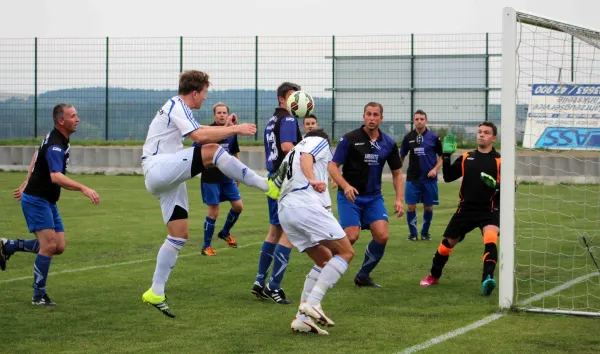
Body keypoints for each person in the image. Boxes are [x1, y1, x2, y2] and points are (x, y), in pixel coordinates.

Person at [140, 70, 283, 317]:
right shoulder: (177, 105)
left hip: (164, 176)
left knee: (178, 235)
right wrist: (235, 129)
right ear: (195, 92)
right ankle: (267, 186)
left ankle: (155, 291)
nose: (206, 98)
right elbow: (200, 136)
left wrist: (226, 127)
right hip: (157, 167)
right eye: (205, 92)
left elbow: (200, 130)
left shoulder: (179, 108)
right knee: (212, 150)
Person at [1, 104, 101, 306]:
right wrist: (83, 188)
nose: (78, 119)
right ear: (61, 121)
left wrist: (27, 180)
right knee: (49, 246)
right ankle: (38, 295)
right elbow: (55, 176)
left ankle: (8, 245)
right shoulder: (56, 144)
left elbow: (36, 156)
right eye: (73, 116)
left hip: (47, 200)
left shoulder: (58, 138)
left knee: (59, 246)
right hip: (37, 200)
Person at [276, 128, 355, 335]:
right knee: (346, 252)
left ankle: (302, 319)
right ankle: (313, 303)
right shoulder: (318, 143)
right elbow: (307, 157)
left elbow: (275, 183)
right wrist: (311, 178)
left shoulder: (292, 151)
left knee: (324, 259)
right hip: (304, 205)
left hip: (285, 210)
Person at [328, 102, 405, 288]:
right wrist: (345, 186)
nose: (372, 118)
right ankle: (325, 263)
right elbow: (332, 166)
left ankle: (362, 276)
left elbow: (397, 173)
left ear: (381, 118)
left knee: (382, 236)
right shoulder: (350, 139)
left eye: (375, 115)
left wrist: (399, 199)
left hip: (373, 197)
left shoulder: (388, 143)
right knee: (351, 236)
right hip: (350, 197)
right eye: (368, 114)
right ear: (363, 117)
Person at [419, 121, 501, 296]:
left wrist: (497, 185)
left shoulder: (500, 161)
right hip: (465, 210)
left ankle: (487, 279)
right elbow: (448, 177)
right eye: (479, 132)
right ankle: (434, 276)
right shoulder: (467, 157)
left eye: (486, 133)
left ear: (494, 138)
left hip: (489, 209)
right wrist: (447, 154)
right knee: (446, 245)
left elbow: (512, 188)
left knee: (491, 238)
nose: (481, 135)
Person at [251, 82, 303, 305]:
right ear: (282, 99)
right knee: (289, 233)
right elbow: (287, 147)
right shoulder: (289, 118)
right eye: (292, 96)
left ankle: (259, 281)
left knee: (274, 230)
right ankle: (274, 286)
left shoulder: (273, 119)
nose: (296, 101)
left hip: (273, 179)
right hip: (286, 181)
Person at [194, 102, 242, 256]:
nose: (222, 115)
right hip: (211, 177)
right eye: (219, 113)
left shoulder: (232, 132)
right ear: (214, 115)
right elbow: (197, 149)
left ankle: (225, 232)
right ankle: (206, 246)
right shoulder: (208, 132)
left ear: (228, 115)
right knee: (213, 212)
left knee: (238, 206)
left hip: (227, 177)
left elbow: (235, 153)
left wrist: (238, 172)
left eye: (224, 113)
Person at [400, 110, 443, 241]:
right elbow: (401, 156)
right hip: (412, 178)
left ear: (426, 121)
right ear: (414, 121)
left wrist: (435, 169)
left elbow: (442, 157)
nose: (419, 121)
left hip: (429, 179)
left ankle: (425, 233)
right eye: (417, 119)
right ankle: (413, 234)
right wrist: (396, 170)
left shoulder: (434, 137)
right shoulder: (408, 137)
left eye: (422, 119)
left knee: (428, 207)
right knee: (411, 206)